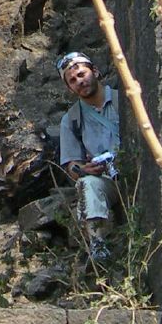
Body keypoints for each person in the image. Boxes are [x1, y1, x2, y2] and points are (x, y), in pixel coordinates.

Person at [57, 51, 121, 264]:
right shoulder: (71, 120)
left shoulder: (125, 99)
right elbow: (71, 164)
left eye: (82, 74)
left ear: (94, 71)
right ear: (69, 88)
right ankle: (98, 246)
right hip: (108, 182)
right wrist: (84, 170)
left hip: (138, 170)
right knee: (87, 184)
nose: (80, 81)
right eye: (73, 80)